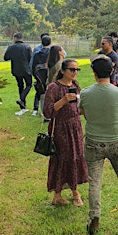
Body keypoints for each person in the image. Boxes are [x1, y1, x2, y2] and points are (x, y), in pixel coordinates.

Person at [79, 55, 118, 235]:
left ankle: (94, 216)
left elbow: (84, 113)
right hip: (117, 141)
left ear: (94, 73)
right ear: (112, 71)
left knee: (95, 181)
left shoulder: (85, 93)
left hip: (93, 142)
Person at [43, 58, 88, 207]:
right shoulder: (53, 87)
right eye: (72, 70)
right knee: (62, 159)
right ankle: (74, 194)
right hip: (60, 129)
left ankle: (59, 195)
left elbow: (78, 109)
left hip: (75, 127)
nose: (75, 73)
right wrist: (63, 100)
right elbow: (47, 112)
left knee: (75, 157)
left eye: (77, 70)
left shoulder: (75, 85)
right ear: (63, 70)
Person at [3, 32, 32, 115]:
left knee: (20, 86)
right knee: (29, 85)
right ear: (21, 38)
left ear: (15, 38)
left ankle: (22, 103)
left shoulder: (11, 47)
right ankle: (22, 100)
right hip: (26, 70)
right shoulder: (27, 47)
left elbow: (6, 58)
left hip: (16, 70)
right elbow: (30, 58)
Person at [31, 35, 51, 117]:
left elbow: (33, 66)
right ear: (50, 42)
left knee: (40, 93)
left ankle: (39, 111)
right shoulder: (52, 54)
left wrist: (35, 76)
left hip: (39, 77)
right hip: (50, 76)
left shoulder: (37, 54)